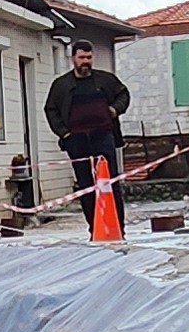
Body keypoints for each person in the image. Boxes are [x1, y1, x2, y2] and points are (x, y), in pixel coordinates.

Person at [43, 40, 129, 217]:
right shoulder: (61, 85)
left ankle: (118, 226)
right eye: (81, 57)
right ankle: (94, 227)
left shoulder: (105, 79)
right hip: (77, 140)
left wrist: (114, 109)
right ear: (73, 59)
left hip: (103, 136)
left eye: (89, 57)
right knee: (85, 186)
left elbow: (123, 94)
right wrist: (64, 134)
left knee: (111, 182)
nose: (85, 61)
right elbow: (51, 110)